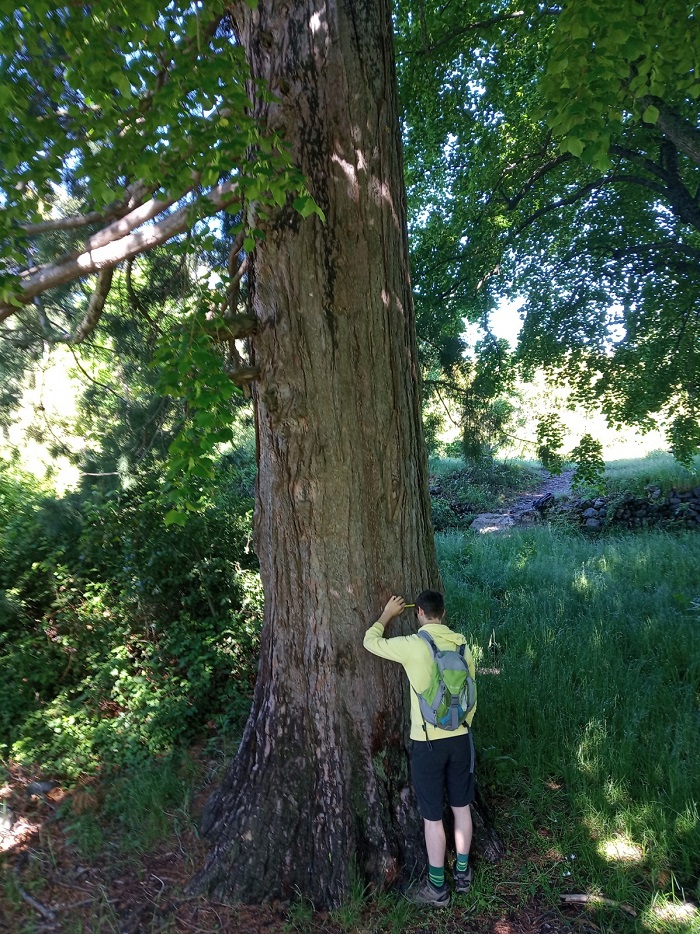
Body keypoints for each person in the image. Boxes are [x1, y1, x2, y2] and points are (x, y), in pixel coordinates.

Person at [363, 590, 476, 907]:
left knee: (433, 818)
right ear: (442, 613)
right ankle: (464, 877)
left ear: (420, 614)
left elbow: (370, 642)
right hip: (461, 738)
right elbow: (471, 695)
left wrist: (386, 614)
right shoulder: (462, 644)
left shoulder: (414, 644)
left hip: (427, 743)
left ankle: (438, 889)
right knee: (461, 808)